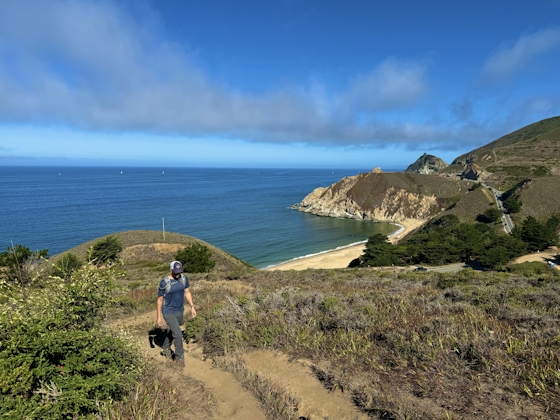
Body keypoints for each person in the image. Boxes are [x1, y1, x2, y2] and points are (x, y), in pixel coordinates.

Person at [156, 261, 196, 367]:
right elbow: (160, 300)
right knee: (178, 334)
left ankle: (165, 347)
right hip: (168, 311)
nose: (178, 274)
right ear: (171, 270)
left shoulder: (184, 279)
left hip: (179, 310)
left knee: (174, 330)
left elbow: (187, 292)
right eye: (176, 272)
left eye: (179, 271)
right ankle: (179, 359)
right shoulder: (164, 283)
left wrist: (192, 306)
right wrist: (159, 317)